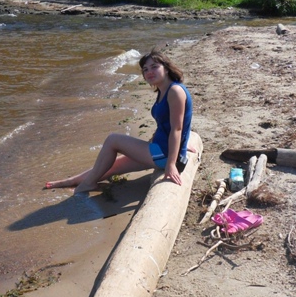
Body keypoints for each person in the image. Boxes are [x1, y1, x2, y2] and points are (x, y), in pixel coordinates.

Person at [45, 49, 193, 195]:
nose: (149, 72)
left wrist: (171, 164)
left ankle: (87, 184)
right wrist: (182, 143)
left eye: (154, 67)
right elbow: (169, 123)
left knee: (113, 140)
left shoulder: (175, 91)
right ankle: (71, 181)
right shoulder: (163, 90)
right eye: (145, 69)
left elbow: (177, 129)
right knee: (112, 166)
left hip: (164, 155)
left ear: (166, 68)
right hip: (160, 149)